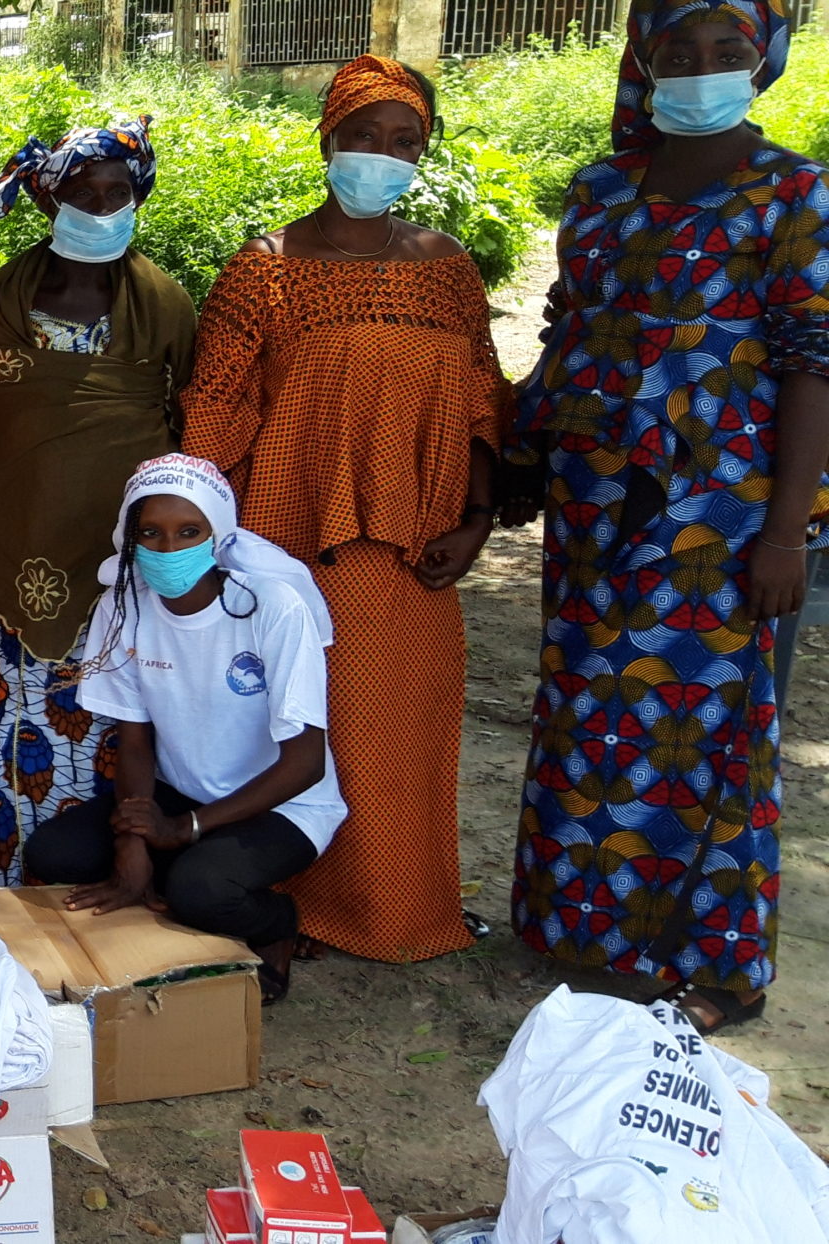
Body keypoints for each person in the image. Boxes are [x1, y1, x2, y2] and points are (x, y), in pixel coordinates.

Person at [509, 0, 827, 1034]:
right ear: (643, 60)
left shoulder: (794, 195)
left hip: (718, 519)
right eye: (675, 52)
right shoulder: (601, 190)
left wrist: (786, 533)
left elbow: (814, 367)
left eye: (725, 52)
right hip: (595, 506)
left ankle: (717, 963)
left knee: (712, 730)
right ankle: (590, 929)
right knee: (590, 717)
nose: (699, 69)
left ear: (762, 60)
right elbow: (572, 327)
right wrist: (523, 448)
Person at [180, 55, 509, 965]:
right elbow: (212, 414)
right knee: (298, 731)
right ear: (327, 139)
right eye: (364, 136)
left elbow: (485, 399)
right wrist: (204, 555)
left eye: (405, 142)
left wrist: (477, 521)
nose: (382, 155)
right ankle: (299, 907)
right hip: (290, 557)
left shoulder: (446, 271)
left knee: (401, 735)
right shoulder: (266, 272)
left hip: (419, 555)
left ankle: (398, 910)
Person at [0, 115, 196, 887]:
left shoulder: (165, 307)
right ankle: (2, 906)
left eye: (115, 194)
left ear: (138, 200)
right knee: (4, 744)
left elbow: (189, 436)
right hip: (7, 575)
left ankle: (117, 896)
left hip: (125, 577)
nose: (98, 209)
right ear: (46, 200)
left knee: (121, 737)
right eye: (80, 193)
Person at [26, 455, 342, 1004]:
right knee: (55, 852)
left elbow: (305, 763)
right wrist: (134, 842)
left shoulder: (273, 607)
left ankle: (276, 924)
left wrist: (184, 829)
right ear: (130, 539)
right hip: (181, 793)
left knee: (200, 890)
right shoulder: (125, 606)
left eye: (189, 532)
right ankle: (168, 876)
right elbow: (135, 739)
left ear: (219, 537)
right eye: (150, 533)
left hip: (284, 804)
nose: (169, 549)